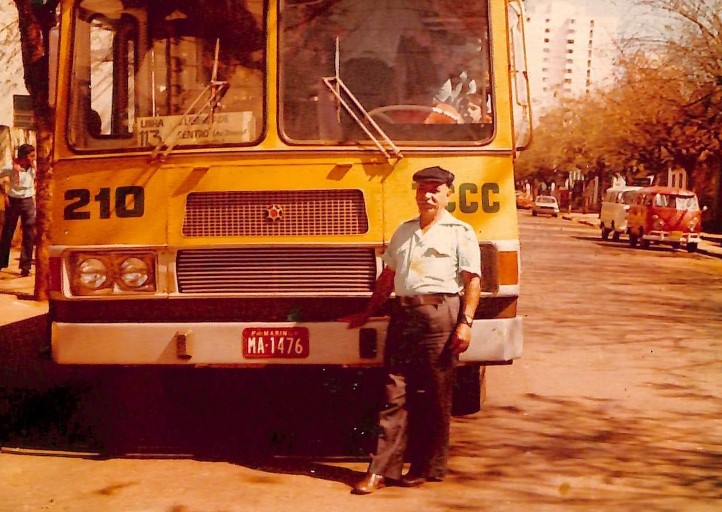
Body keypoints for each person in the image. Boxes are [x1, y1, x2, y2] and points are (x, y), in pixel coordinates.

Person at [340, 166, 481, 495]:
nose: (427, 195)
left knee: (435, 394)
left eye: (435, 190)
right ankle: (380, 470)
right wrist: (367, 312)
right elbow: (387, 278)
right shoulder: (403, 232)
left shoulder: (460, 232)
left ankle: (425, 466)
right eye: (422, 189)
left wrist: (466, 323)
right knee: (394, 392)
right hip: (403, 315)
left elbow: (472, 280)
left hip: (439, 314)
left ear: (448, 194)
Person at [0, 144, 37, 277]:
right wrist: (4, 193)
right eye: (31, 155)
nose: (33, 158)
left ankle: (25, 266)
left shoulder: (34, 166)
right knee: (7, 232)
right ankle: (1, 262)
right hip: (13, 201)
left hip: (27, 201)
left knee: (29, 233)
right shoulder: (10, 167)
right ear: (24, 156)